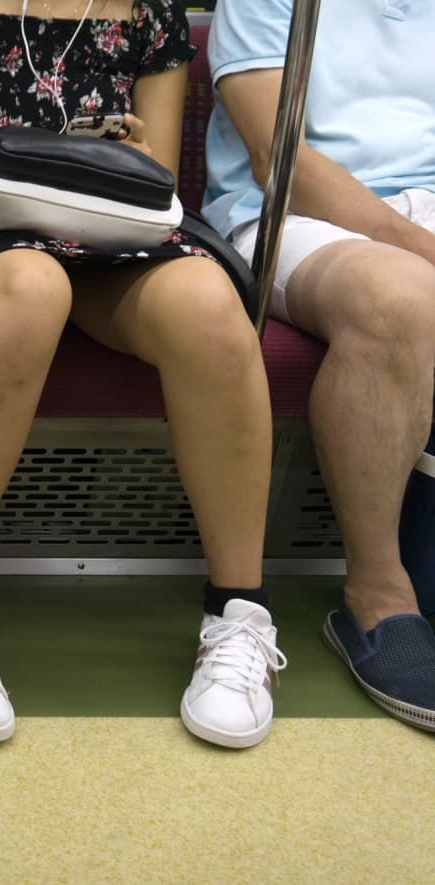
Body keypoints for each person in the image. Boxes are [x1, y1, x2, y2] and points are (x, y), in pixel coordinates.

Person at [0, 0, 284, 746]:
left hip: (112, 236)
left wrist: (127, 155)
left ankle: (238, 613)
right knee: (34, 289)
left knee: (211, 309)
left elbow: (160, 183)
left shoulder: (149, 15)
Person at [205, 0, 435, 730]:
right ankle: (379, 593)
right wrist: (420, 246)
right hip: (292, 217)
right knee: (403, 300)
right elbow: (282, 161)